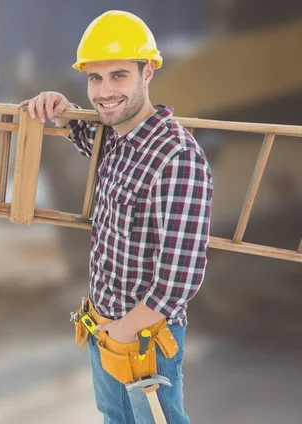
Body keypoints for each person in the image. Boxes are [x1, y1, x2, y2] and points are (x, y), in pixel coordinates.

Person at [18, 10, 213, 424]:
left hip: (145, 340)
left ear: (149, 72)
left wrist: (126, 330)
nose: (105, 91)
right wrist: (61, 108)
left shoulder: (176, 156)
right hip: (104, 329)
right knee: (114, 420)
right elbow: (89, 136)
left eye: (119, 75)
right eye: (95, 78)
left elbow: (182, 275)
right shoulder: (118, 141)